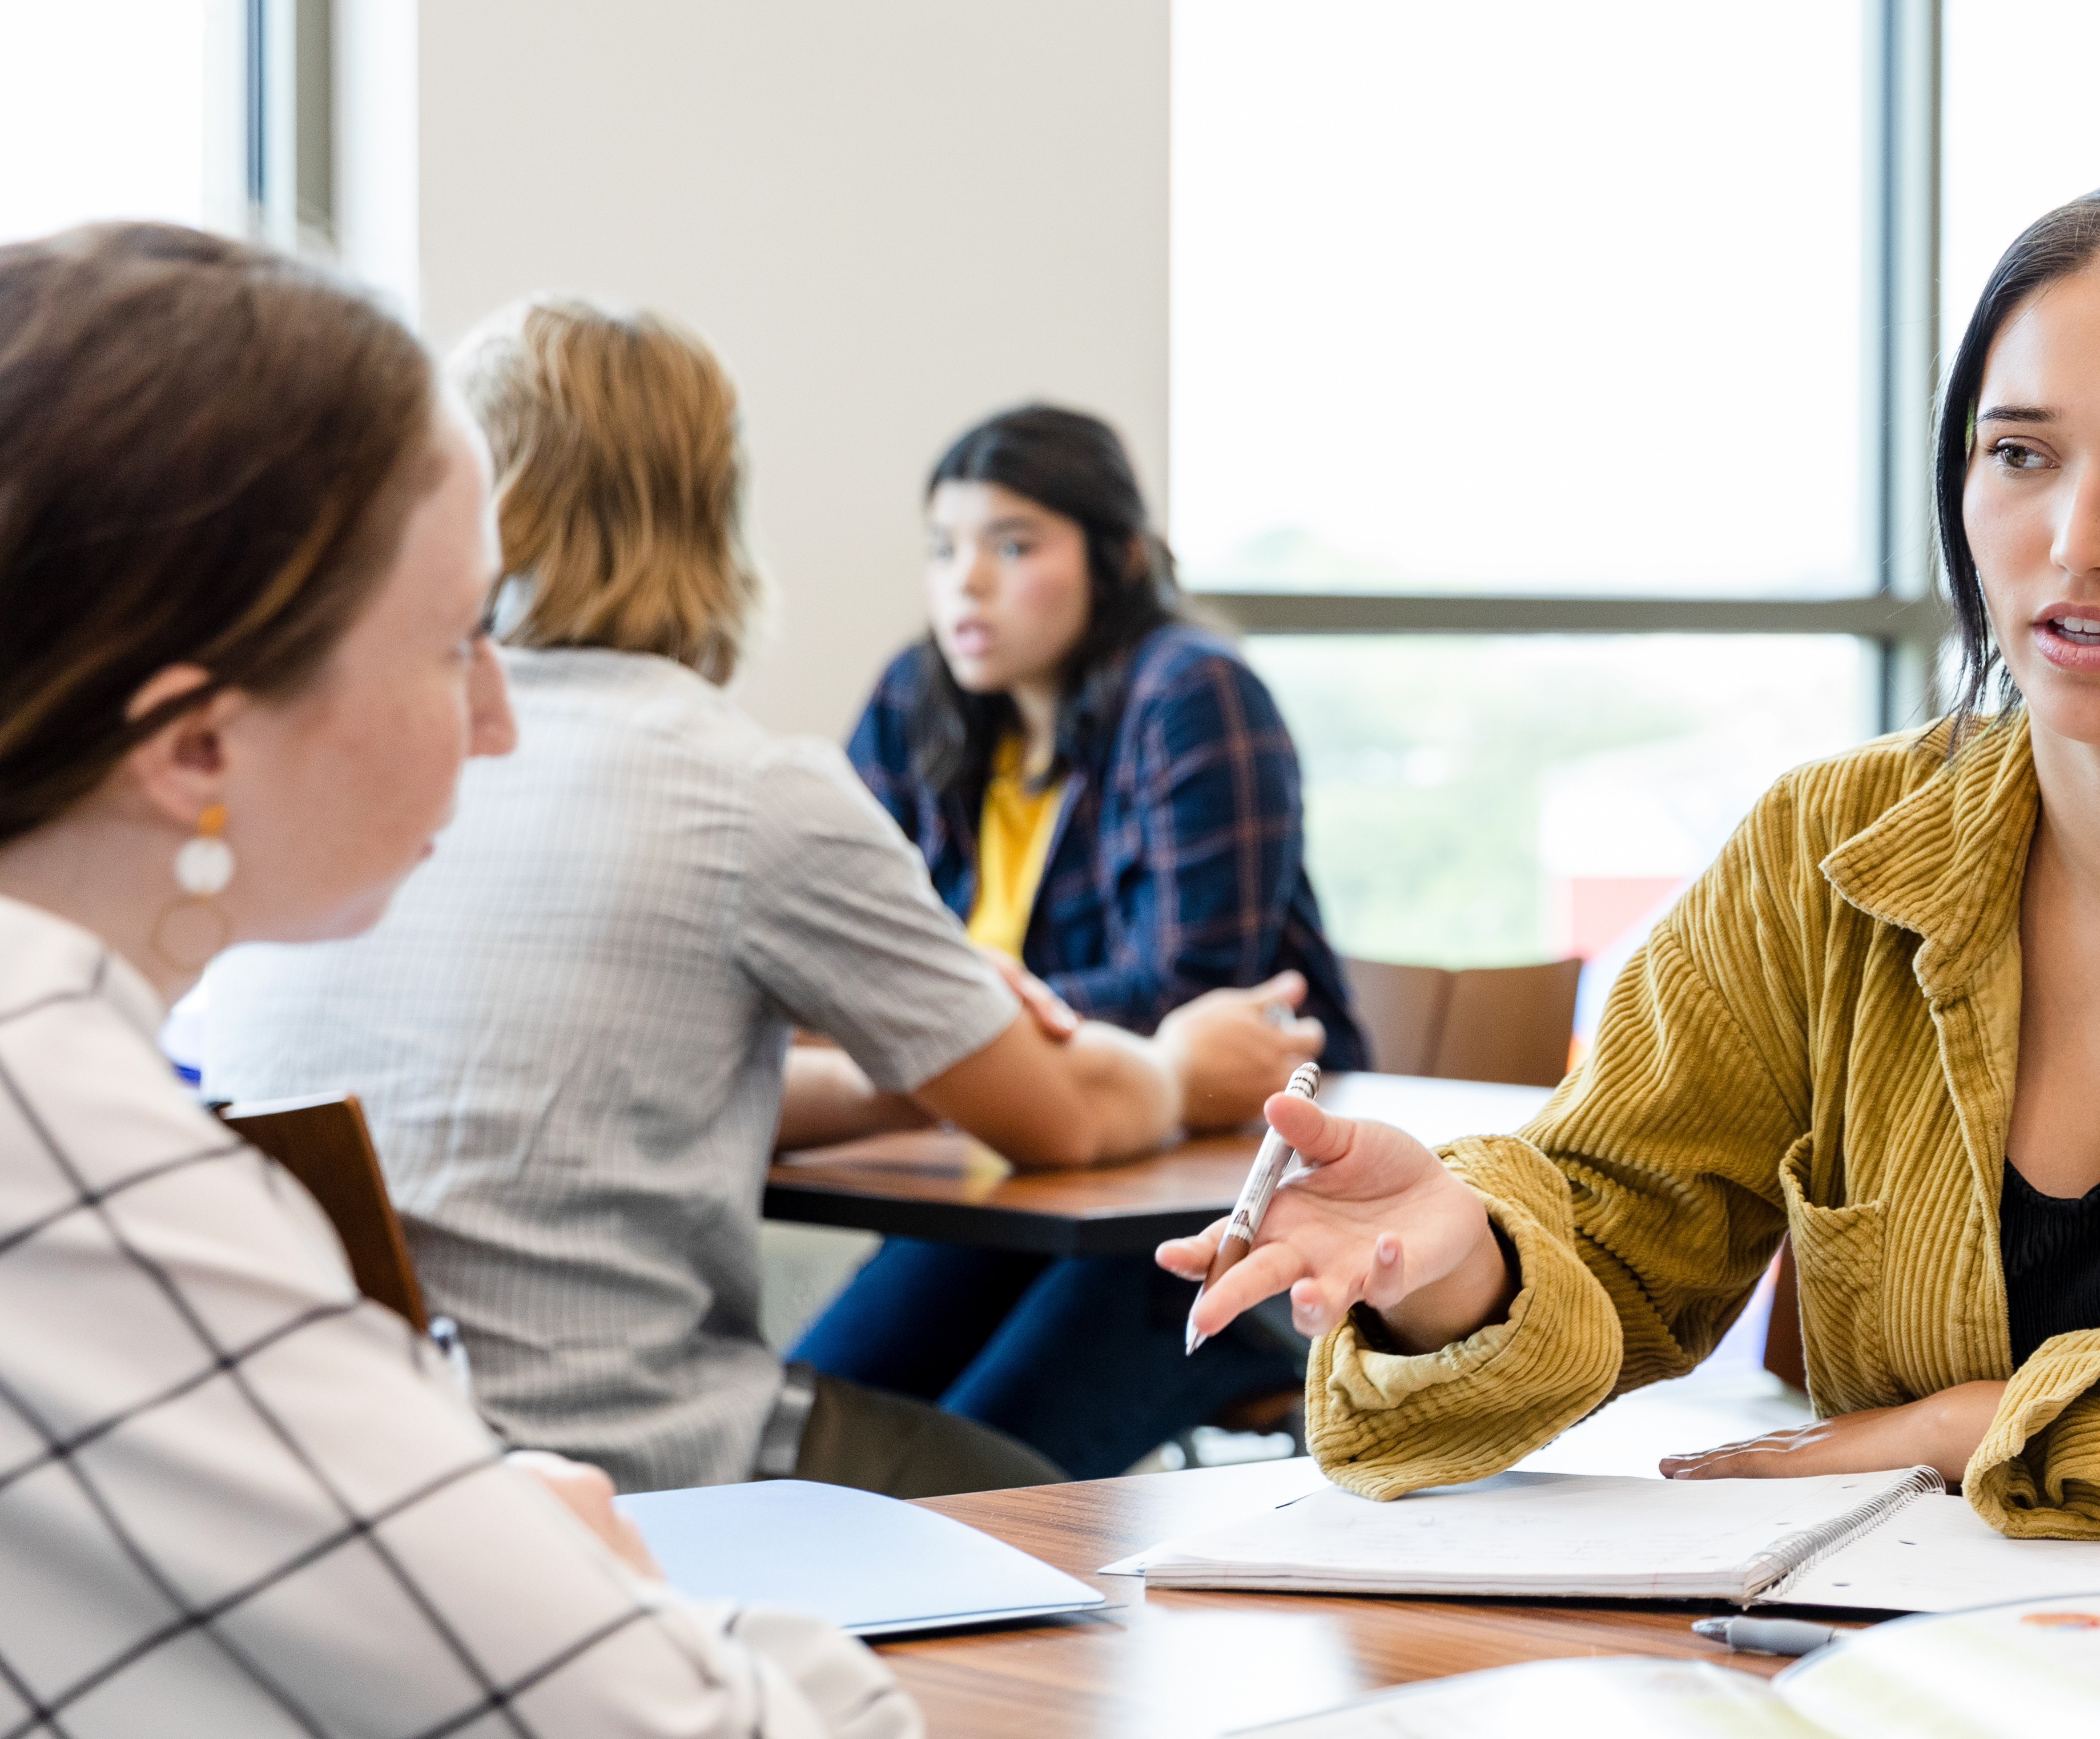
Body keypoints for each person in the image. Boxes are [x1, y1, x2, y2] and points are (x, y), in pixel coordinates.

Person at [1162, 176, 2100, 1569]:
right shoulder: (1824, 855)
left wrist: (1983, 1422)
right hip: (1960, 1672)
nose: (2074, 541)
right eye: (2018, 455)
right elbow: (1613, 1225)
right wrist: (1455, 1263)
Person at [0, 224, 910, 1734]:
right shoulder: (74, 1153)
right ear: (195, 747)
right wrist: (613, 1588)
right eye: (457, 642)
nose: (496, 722)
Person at [200, 295, 1192, 1499]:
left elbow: (586, 1091)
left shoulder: (339, 773)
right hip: (635, 1457)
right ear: (714, 505)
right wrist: (1193, 1062)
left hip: (340, 1454)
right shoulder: (745, 789)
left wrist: (914, 1065)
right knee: (1090, 1540)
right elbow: (1070, 1124)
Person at [795, 405, 1366, 1477]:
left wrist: (951, 1025)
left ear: (1121, 558)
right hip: (1021, 1176)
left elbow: (1199, 996)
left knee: (953, 1487)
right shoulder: (917, 699)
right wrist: (964, 1034)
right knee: (807, 1460)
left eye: (1013, 546)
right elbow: (841, 966)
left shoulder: (1192, 692)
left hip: (1211, 1207)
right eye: (943, 548)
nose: (966, 582)